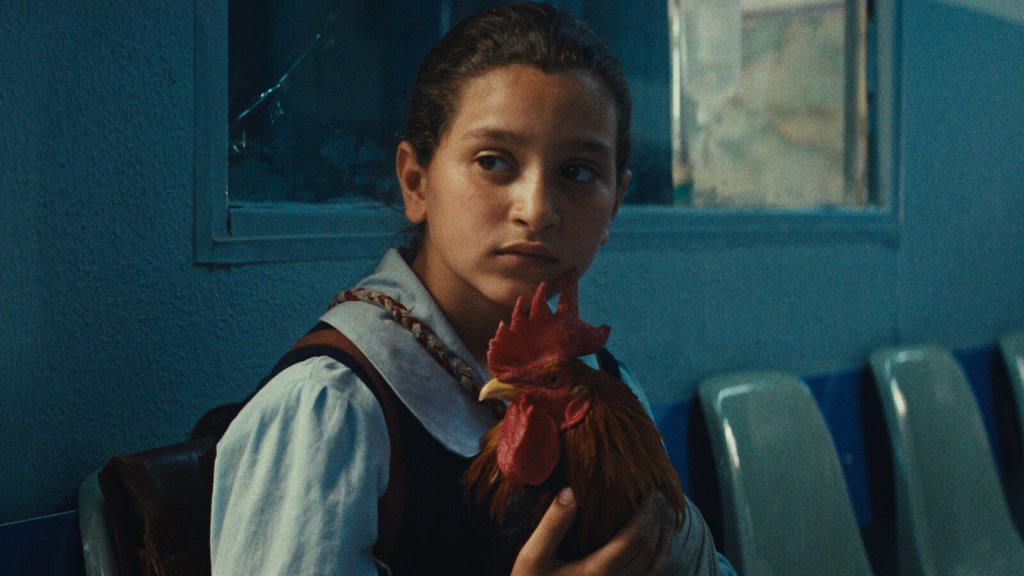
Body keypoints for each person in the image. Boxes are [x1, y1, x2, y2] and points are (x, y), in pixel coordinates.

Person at [210, 3, 736, 575]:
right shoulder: (330, 410)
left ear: (614, 202)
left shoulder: (604, 383)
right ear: (416, 181)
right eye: (494, 162)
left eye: (578, 171)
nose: (537, 211)